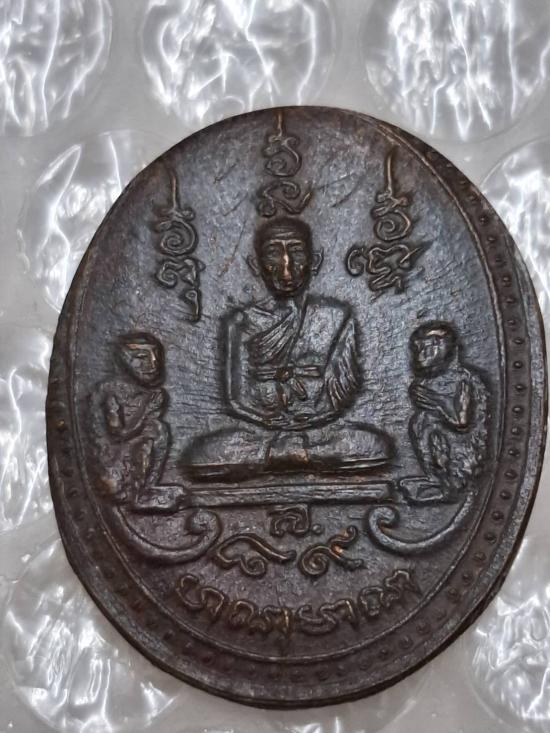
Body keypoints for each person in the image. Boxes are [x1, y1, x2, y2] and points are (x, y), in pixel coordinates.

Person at [183, 217, 392, 481]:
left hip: (319, 433)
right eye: (273, 253)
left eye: (296, 252)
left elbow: (343, 395)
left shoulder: (336, 316)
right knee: (200, 455)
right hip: (260, 434)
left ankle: (287, 456)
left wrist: (312, 419)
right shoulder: (240, 322)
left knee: (375, 446)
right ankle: (295, 456)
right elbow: (235, 398)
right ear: (255, 264)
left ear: (314, 261)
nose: (286, 267)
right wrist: (269, 421)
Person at [91, 332, 187, 512]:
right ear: (124, 361)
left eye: (156, 357)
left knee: (157, 429)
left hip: (126, 465)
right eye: (142, 357)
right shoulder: (110, 391)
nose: (153, 364)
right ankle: (139, 496)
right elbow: (118, 433)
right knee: (156, 429)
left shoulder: (147, 393)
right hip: (113, 472)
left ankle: (147, 488)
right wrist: (147, 409)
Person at [402, 321, 490, 503]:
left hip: (460, 451)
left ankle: (451, 487)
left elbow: (460, 420)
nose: (421, 355)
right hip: (440, 452)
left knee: (429, 424)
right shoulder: (426, 381)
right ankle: (435, 479)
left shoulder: (463, 379)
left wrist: (435, 400)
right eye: (418, 349)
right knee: (420, 421)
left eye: (429, 347)